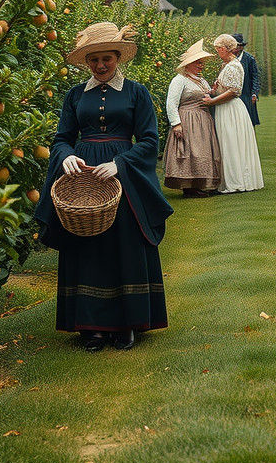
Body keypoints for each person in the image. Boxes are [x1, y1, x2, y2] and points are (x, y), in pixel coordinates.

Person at [33, 22, 174, 352]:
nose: (100, 66)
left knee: (122, 246)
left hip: (120, 177)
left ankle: (127, 323)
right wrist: (65, 155)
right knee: (87, 248)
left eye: (106, 59)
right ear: (86, 61)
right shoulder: (74, 96)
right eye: (93, 60)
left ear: (118, 58)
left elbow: (151, 139)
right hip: (82, 178)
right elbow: (61, 139)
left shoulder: (137, 92)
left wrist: (121, 164)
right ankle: (91, 327)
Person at [203, 34, 264, 193]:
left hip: (230, 108)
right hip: (226, 108)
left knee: (230, 143)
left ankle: (234, 181)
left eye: (218, 49)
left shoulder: (233, 66)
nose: (217, 52)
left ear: (224, 49)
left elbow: (234, 92)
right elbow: (226, 88)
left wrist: (212, 101)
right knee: (227, 143)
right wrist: (214, 90)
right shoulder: (228, 65)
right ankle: (229, 179)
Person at [163, 40, 222, 198]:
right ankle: (188, 187)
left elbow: (204, 95)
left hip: (203, 119)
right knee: (190, 151)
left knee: (201, 151)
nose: (201, 65)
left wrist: (213, 91)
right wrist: (176, 124)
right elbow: (171, 103)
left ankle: (199, 184)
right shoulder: (179, 80)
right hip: (187, 119)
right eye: (198, 62)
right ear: (188, 64)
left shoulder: (201, 80)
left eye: (202, 63)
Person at [232, 33, 260, 127]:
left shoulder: (249, 59)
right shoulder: (229, 59)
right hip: (232, 95)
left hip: (246, 94)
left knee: (248, 122)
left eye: (238, 46)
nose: (236, 48)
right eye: (235, 46)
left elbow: (255, 77)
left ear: (242, 47)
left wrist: (254, 93)